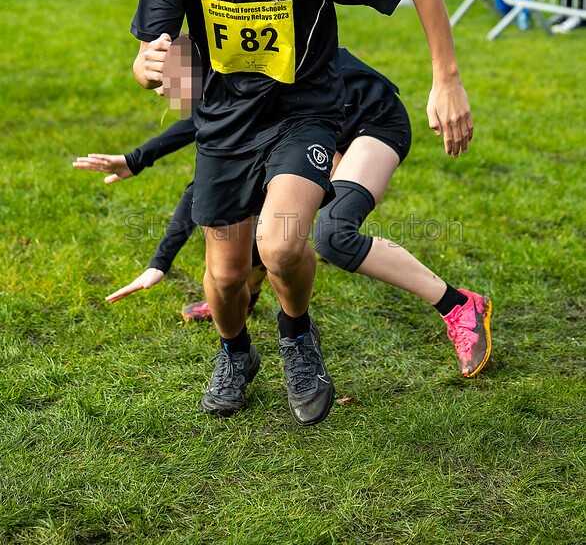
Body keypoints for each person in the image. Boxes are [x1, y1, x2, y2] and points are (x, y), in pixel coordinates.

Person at [130, 0, 473, 427]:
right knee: (226, 276)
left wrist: (446, 80)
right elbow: (149, 57)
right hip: (225, 127)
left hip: (303, 118)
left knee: (283, 243)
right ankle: (236, 353)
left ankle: (297, 339)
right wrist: (147, 65)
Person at [75, 47, 490, 380]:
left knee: (333, 234)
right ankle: (249, 292)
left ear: (197, 67)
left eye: (166, 84)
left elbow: (200, 138)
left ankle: (459, 305)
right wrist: (138, 162)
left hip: (370, 122)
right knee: (259, 208)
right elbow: (207, 175)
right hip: (320, 126)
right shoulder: (223, 85)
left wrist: (158, 255)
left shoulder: (246, 77)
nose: (162, 94)